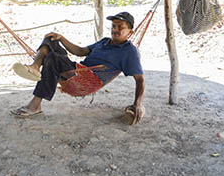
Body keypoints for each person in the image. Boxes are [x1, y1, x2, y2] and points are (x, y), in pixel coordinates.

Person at [11, 12, 145, 123]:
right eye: (113, 26)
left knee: (53, 59)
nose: (115, 29)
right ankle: (34, 68)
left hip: (89, 80)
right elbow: (80, 51)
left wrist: (137, 104)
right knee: (51, 39)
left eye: (120, 27)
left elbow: (140, 80)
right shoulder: (104, 41)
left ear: (130, 32)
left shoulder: (129, 52)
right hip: (78, 71)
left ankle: (35, 105)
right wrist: (61, 38)